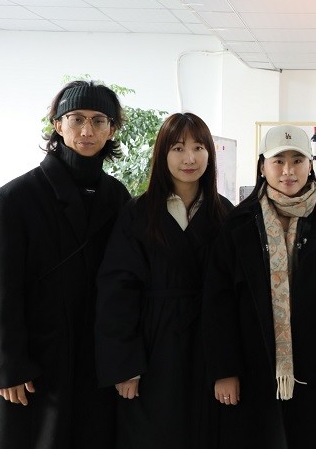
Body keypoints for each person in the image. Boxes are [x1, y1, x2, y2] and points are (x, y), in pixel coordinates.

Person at [0, 80, 131, 449]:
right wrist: (9, 366)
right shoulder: (13, 199)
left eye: (98, 120)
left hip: (98, 358)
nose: (87, 131)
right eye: (76, 119)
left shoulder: (118, 198)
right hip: (37, 362)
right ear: (57, 124)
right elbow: (1, 290)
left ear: (112, 130)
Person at [203, 125, 316, 448]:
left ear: (310, 165)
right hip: (251, 366)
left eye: (297, 160)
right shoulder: (238, 225)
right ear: (262, 167)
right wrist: (224, 370)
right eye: (278, 161)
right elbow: (218, 302)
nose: (288, 170)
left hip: (315, 367)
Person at [95, 113, 233, 448]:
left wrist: (229, 366)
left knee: (206, 433)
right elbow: (118, 290)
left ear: (210, 154)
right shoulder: (138, 212)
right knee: (153, 433)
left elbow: (235, 296)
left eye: (198, 147)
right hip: (153, 346)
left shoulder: (225, 214)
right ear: (162, 154)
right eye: (178, 148)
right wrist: (125, 365)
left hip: (209, 345)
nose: (189, 158)